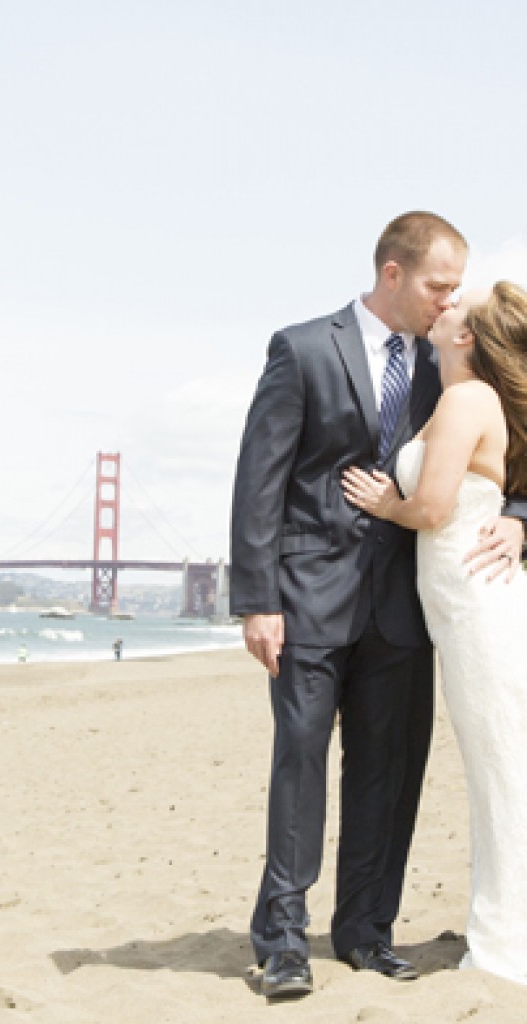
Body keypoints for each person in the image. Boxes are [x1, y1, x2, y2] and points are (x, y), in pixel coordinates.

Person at [229, 212, 526, 1000]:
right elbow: (260, 480)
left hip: (408, 612)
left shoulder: (451, 366)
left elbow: (510, 447)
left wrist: (517, 516)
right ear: (392, 273)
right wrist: (257, 600)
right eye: (437, 284)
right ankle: (284, 941)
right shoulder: (300, 349)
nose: (447, 300)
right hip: (306, 601)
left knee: (385, 777)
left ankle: (365, 933)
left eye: (455, 288)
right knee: (299, 764)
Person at [341, 281, 527, 985]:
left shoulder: (465, 399)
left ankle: (509, 942)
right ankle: (503, 924)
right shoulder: (461, 395)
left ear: (466, 338)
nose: (441, 308)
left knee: (504, 773)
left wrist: (389, 503)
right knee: (500, 770)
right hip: (462, 608)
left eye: (454, 309)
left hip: (479, 606)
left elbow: (434, 508)